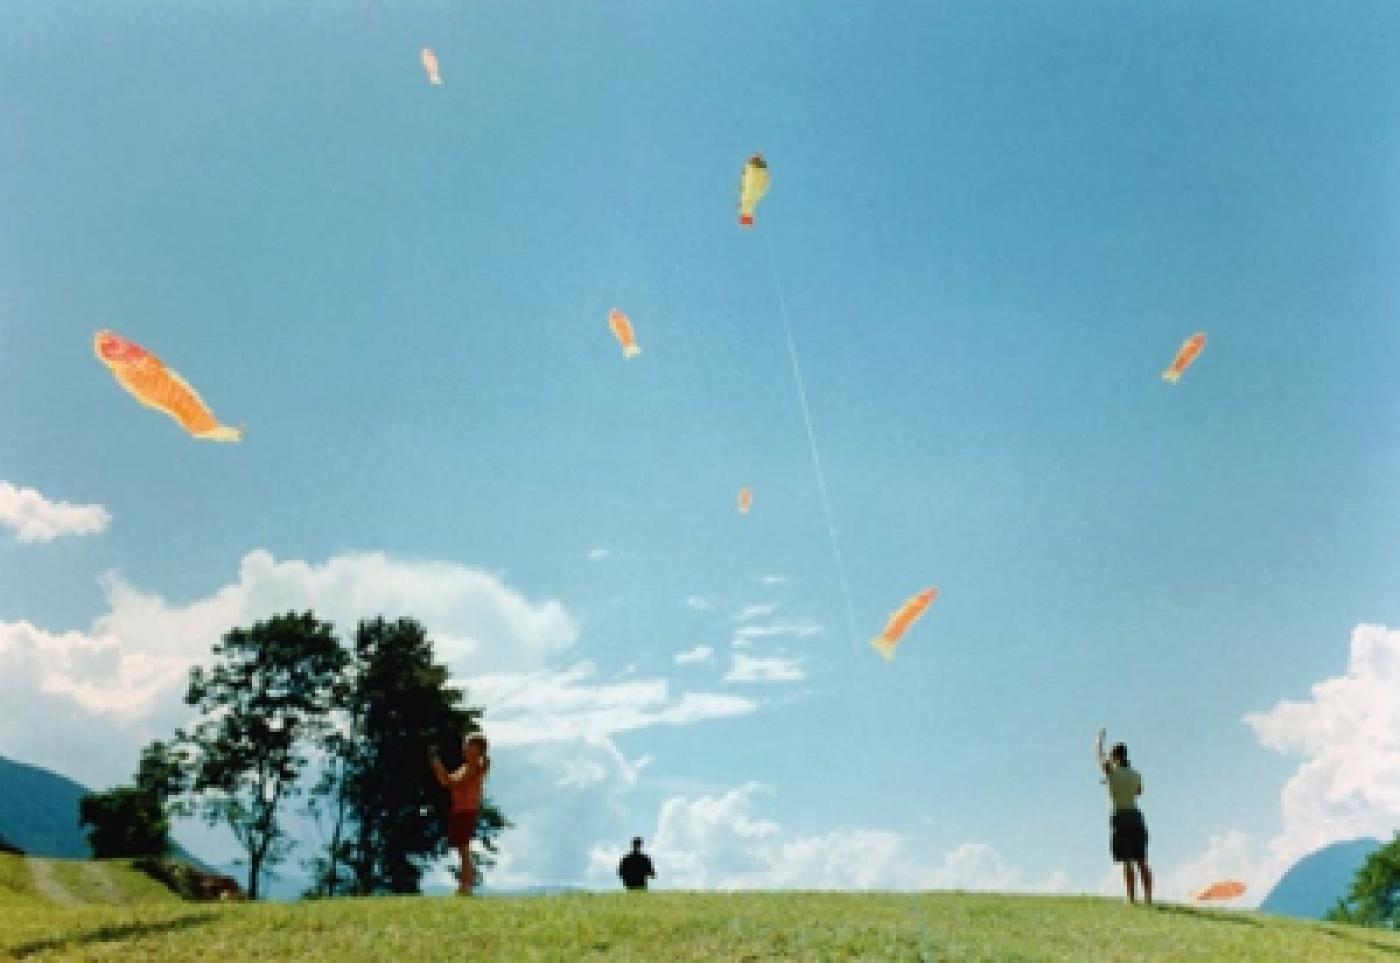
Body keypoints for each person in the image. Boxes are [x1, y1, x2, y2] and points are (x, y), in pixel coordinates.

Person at [1096, 728, 1152, 905]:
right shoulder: (1135, 774)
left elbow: (1098, 755)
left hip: (1120, 817)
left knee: (1127, 861)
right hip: (1136, 816)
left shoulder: (1111, 772)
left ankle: (1131, 898)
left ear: (1116, 756)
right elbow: (1139, 792)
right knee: (1142, 860)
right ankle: (1148, 899)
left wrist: (1099, 740)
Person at [430, 733, 490, 896]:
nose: (465, 748)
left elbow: (452, 782)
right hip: (460, 810)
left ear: (477, 749)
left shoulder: (474, 768)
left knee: (463, 849)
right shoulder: (466, 767)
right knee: (462, 849)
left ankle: (465, 885)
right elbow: (446, 781)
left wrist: (438, 765)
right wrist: (437, 765)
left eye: (468, 745)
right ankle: (465, 885)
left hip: (466, 810)